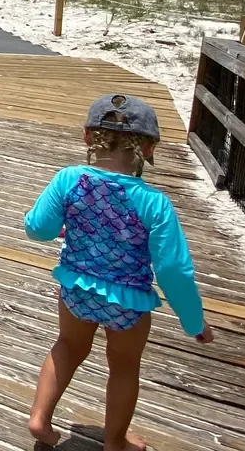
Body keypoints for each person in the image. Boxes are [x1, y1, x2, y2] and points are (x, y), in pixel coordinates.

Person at [25, 94, 213, 451]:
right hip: (128, 301)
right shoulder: (154, 203)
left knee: (67, 347)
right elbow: (173, 270)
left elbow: (39, 229)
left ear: (86, 138)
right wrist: (194, 322)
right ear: (148, 146)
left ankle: (40, 419)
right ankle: (115, 442)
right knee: (124, 366)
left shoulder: (69, 180)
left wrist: (65, 226)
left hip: (76, 289)